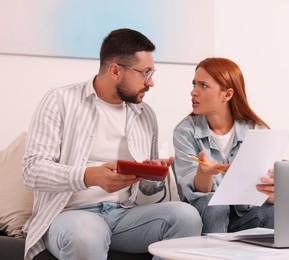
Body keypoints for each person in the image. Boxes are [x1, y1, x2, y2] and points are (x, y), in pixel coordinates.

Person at [22, 28, 202, 260]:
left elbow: (147, 190)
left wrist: (153, 174)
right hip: (69, 214)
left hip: (123, 215)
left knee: (187, 217)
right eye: (145, 73)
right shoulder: (59, 101)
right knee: (87, 236)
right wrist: (90, 176)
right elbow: (32, 171)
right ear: (115, 70)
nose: (151, 82)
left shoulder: (145, 114)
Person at [173, 57, 274, 234]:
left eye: (203, 86)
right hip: (204, 213)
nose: (193, 92)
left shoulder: (257, 130)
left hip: (244, 214)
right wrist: (203, 174)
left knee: (273, 212)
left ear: (227, 94)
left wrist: (273, 190)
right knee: (214, 204)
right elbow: (194, 192)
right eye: (194, 84)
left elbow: (266, 192)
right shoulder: (185, 131)